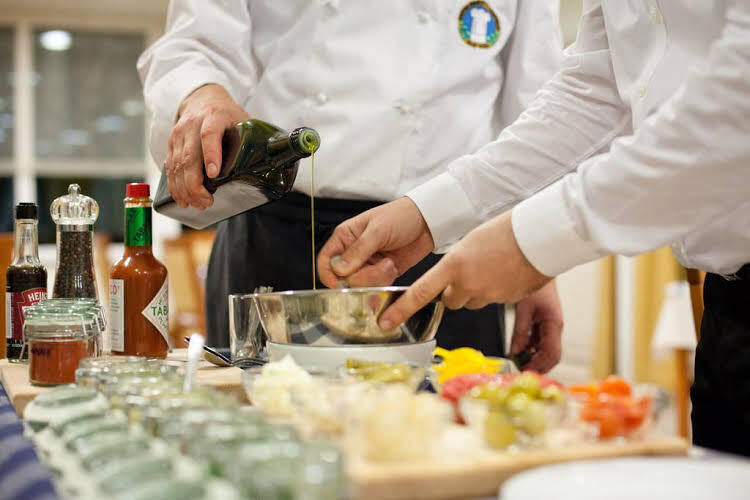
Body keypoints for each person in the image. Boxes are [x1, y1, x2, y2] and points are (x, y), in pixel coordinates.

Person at [318, 1, 750, 455]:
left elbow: (736, 109)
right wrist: (428, 214)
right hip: (728, 311)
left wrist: (532, 242)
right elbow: (595, 91)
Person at [138, 0, 565, 368]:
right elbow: (195, 38)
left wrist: (539, 263)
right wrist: (201, 94)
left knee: (446, 422)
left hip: (446, 245)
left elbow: (536, 103)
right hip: (272, 232)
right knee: (259, 420)